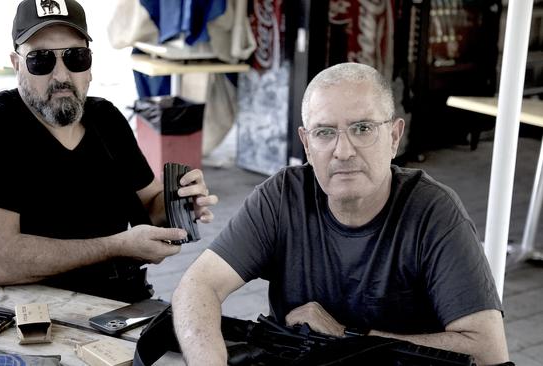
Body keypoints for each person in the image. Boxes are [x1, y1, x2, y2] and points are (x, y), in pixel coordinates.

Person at [172, 63, 509, 365]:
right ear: (306, 144)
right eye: (325, 132)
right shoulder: (282, 197)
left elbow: (487, 350)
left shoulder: (433, 213)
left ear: (394, 137)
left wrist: (347, 337)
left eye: (362, 128)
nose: (343, 151)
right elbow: (198, 286)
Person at [0, 0, 217, 303]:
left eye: (76, 57)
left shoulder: (107, 118)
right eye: (41, 60)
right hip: (34, 314)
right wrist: (119, 246)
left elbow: (150, 205)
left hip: (122, 303)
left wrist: (178, 204)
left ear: (89, 64)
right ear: (16, 63)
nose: (61, 75)